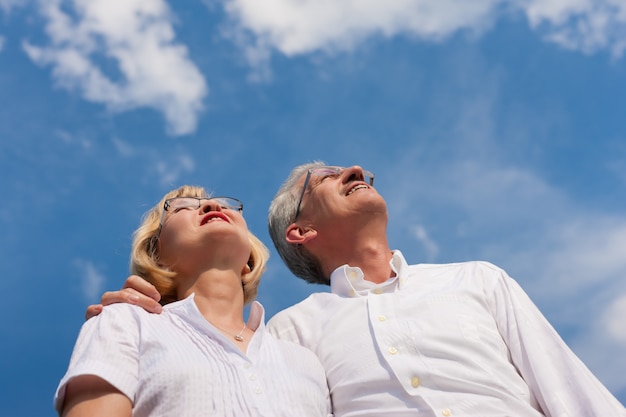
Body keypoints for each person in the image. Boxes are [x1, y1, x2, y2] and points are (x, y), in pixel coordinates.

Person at [88, 165, 626, 417]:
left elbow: (571, 390)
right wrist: (145, 313)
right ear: (299, 231)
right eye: (322, 178)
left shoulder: (477, 279)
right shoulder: (290, 335)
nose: (356, 168)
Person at [56, 185, 332, 417]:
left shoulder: (305, 358)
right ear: (156, 255)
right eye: (181, 207)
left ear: (248, 261)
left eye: (225, 206)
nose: (212, 207)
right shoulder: (125, 322)